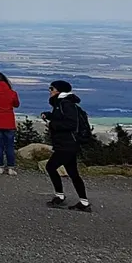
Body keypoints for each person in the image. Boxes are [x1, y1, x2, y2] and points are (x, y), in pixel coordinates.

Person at [43, 80, 91, 212]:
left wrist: (52, 124)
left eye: (51, 88)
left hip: (67, 144)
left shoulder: (65, 104)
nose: (50, 91)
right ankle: (84, 202)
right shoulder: (62, 104)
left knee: (51, 167)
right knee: (73, 173)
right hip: (68, 144)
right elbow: (62, 118)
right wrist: (49, 116)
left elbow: (70, 124)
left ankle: (60, 196)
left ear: (59, 91)